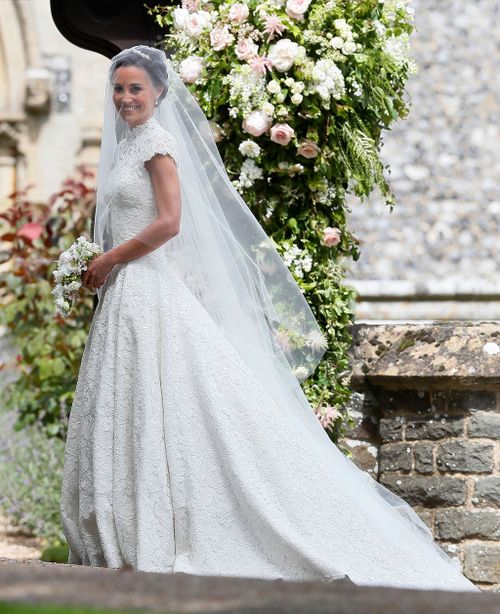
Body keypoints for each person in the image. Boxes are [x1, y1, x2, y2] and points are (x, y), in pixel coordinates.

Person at [60, 45, 481, 592]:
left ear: (160, 92)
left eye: (136, 88)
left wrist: (110, 258)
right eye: (119, 89)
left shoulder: (158, 146)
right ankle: (128, 528)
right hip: (126, 295)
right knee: (136, 404)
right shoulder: (126, 147)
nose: (125, 98)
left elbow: (169, 223)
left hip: (147, 287)